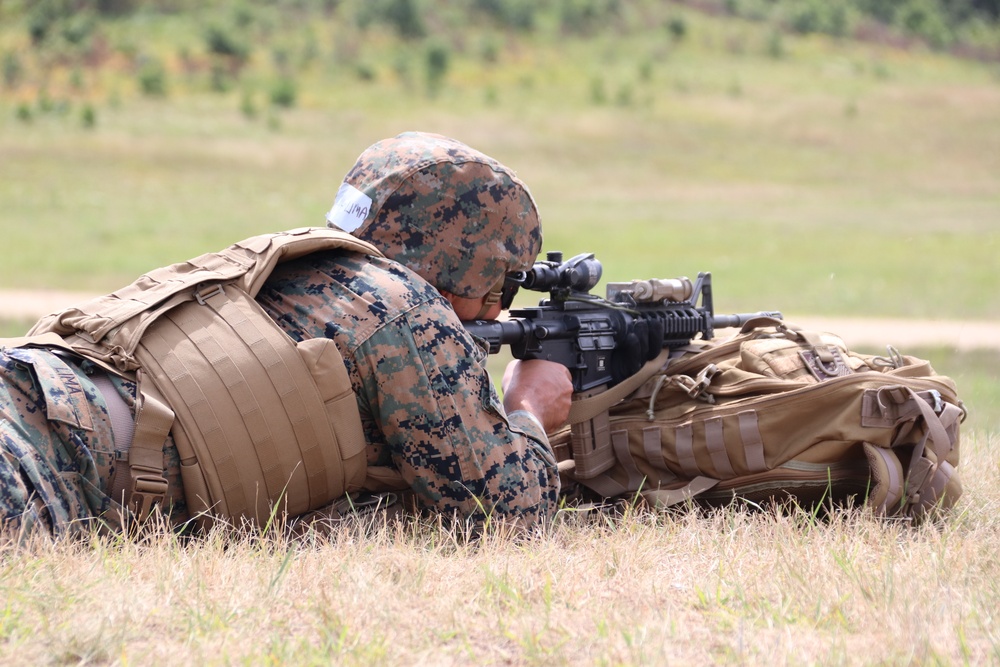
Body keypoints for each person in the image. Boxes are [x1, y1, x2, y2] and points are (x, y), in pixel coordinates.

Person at [0, 131, 573, 540]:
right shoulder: (405, 309)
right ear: (468, 267)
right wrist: (530, 409)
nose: (495, 309)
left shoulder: (284, 264)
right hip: (43, 460)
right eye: (500, 286)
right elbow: (505, 515)